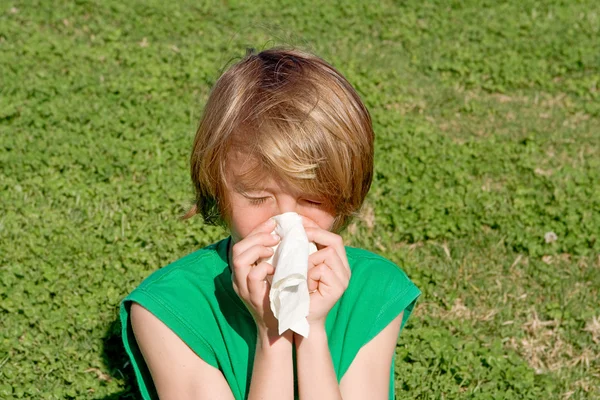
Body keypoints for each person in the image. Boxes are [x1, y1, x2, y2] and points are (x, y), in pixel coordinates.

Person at [120, 46, 421, 400]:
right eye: (258, 197)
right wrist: (271, 334)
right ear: (217, 188)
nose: (285, 221)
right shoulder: (169, 311)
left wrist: (311, 330)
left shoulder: (374, 292)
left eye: (312, 199)